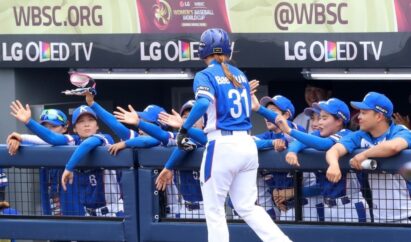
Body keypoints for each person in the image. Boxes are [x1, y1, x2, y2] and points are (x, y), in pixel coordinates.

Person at [172, 28, 291, 242]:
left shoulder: (205, 74)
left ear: (203, 50)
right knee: (248, 207)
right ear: (228, 49)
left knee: (214, 210)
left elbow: (202, 103)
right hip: (246, 143)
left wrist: (184, 128)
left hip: (222, 144)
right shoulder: (239, 74)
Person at [10, 101, 123, 217]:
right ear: (75, 128)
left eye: (91, 120)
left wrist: (69, 167)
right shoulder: (75, 141)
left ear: (97, 125)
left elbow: (89, 143)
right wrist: (25, 128)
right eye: (81, 121)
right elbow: (52, 138)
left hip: (114, 211)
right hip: (89, 214)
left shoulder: (106, 139)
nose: (86, 124)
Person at [276, 98, 369, 222]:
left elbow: (324, 144)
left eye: (324, 118)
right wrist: (292, 151)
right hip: (327, 206)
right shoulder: (318, 134)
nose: (319, 122)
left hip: (350, 204)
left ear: (339, 120)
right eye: (319, 118)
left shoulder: (346, 134)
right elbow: (298, 142)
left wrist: (289, 131)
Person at [326, 92, 411, 223]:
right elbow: (334, 150)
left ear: (379, 116)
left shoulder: (399, 131)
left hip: (407, 215)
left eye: (364, 113)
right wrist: (333, 164)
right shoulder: (360, 135)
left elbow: (394, 147)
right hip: (376, 217)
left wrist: (364, 154)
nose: (359, 117)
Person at [7, 109, 85, 216]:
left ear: (65, 127)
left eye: (53, 126)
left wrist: (22, 137)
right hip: (51, 209)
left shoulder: (74, 141)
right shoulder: (38, 145)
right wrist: (16, 140)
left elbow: (51, 138)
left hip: (77, 213)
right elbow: (35, 141)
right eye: (45, 127)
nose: (48, 131)